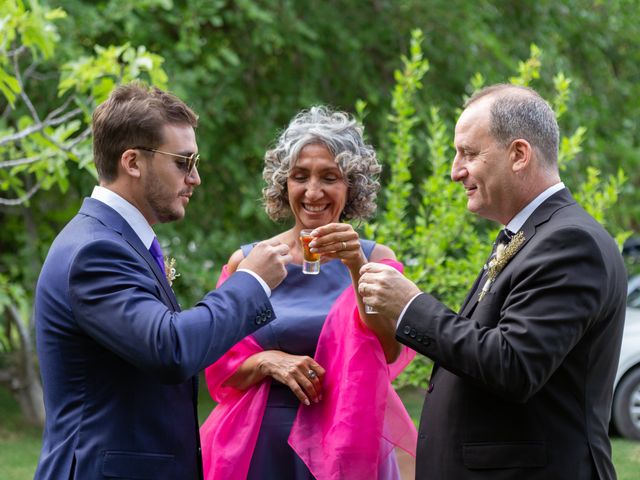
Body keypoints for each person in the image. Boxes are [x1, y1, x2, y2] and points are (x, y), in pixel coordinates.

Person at [359, 84, 627, 479]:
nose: (455, 171)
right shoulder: (529, 235)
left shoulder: (570, 242)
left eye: (469, 153)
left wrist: (411, 308)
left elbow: (513, 365)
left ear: (519, 154)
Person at [34, 83, 292, 479]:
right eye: (183, 162)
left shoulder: (114, 240)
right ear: (133, 162)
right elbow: (170, 348)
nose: (196, 178)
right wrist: (252, 281)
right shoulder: (94, 251)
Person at [200, 106, 417, 479]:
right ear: (284, 184)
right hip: (263, 445)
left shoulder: (376, 259)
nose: (313, 191)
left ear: (351, 187)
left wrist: (355, 267)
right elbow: (220, 369)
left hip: (348, 443)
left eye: (329, 177)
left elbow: (388, 351)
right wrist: (270, 360)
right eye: (300, 176)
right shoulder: (250, 261)